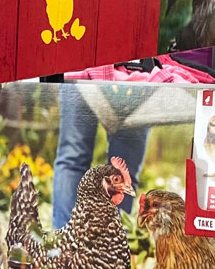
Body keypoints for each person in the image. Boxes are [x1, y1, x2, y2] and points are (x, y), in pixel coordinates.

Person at [51, 83, 149, 229]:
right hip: (133, 77)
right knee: (75, 159)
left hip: (89, 73)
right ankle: (69, 242)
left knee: (75, 160)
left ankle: (106, 242)